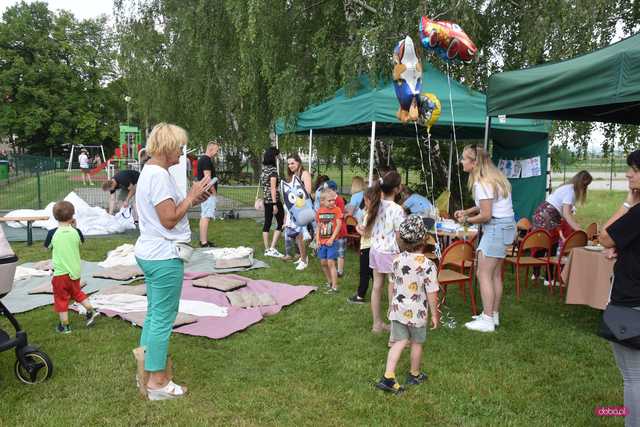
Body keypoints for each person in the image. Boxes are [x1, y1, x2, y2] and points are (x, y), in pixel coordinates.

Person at [132, 123, 212, 400]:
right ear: (167, 148)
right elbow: (168, 220)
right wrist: (190, 197)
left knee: (155, 314)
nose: (182, 152)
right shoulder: (158, 176)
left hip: (151, 252)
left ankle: (145, 370)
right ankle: (157, 383)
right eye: (179, 147)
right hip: (163, 256)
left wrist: (192, 197)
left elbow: (164, 212)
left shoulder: (152, 172)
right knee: (163, 318)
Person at [598, 149, 640, 427]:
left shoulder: (637, 212)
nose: (628, 174)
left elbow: (604, 237)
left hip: (631, 299)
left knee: (633, 376)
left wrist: (628, 202)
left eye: (635, 170)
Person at [375, 215, 439, 394]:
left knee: (399, 341)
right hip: (417, 313)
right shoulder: (428, 265)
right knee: (417, 343)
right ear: (424, 239)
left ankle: (388, 376)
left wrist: (390, 306)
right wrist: (434, 314)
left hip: (398, 310)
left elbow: (392, 284)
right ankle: (414, 374)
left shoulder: (396, 260)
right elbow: (432, 292)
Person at [454, 145, 515, 333]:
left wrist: (467, 219)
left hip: (495, 228)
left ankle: (487, 320)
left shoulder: (481, 183)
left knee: (483, 274)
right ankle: (492, 314)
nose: (461, 161)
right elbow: (486, 204)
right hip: (506, 227)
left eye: (464, 159)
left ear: (474, 163)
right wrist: (469, 211)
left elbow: (486, 214)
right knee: (495, 275)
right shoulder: (494, 178)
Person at [44, 201, 99, 333]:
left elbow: (47, 248)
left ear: (55, 216)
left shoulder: (52, 233)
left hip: (61, 273)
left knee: (61, 298)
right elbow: (81, 242)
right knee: (76, 292)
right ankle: (91, 310)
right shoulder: (76, 232)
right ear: (72, 215)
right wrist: (75, 227)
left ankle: (65, 326)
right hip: (75, 271)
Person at [366, 170, 406, 333]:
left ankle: (377, 324)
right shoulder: (397, 210)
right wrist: (403, 251)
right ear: (397, 189)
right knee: (393, 288)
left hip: (375, 251)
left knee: (376, 287)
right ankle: (394, 326)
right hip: (391, 254)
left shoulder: (376, 205)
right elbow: (399, 237)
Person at [533, 170, 592, 236]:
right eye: (585, 184)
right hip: (547, 215)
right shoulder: (570, 191)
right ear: (580, 182)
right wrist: (579, 230)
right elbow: (566, 214)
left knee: (547, 239)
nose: (585, 187)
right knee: (544, 239)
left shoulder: (568, 187)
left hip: (545, 212)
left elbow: (567, 213)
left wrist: (575, 225)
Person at [347, 186, 376, 304]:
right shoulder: (372, 212)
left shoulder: (371, 214)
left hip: (367, 246)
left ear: (368, 200)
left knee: (364, 272)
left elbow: (367, 233)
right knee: (372, 272)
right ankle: (376, 291)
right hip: (373, 246)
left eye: (365, 200)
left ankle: (360, 296)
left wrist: (357, 228)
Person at [287, 153, 313, 271]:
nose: (290, 166)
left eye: (292, 163)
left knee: (302, 235)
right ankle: (303, 257)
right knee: (298, 235)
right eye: (288, 164)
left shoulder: (304, 174)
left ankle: (304, 259)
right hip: (297, 208)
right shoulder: (293, 175)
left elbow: (307, 191)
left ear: (298, 162)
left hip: (305, 208)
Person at [315, 188, 343, 293]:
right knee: (323, 263)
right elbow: (318, 226)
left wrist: (332, 238)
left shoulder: (337, 210)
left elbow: (339, 225)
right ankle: (329, 281)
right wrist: (317, 239)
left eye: (333, 200)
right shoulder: (319, 211)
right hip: (322, 242)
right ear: (322, 201)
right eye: (329, 200)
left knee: (331, 263)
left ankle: (335, 287)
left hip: (332, 242)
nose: (332, 202)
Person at [260, 146, 284, 257]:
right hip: (274, 200)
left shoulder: (264, 169)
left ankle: (267, 249)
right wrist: (275, 204)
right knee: (281, 222)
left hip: (266, 200)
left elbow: (265, 186)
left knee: (267, 223)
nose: (278, 157)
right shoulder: (273, 171)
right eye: (277, 155)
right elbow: (273, 188)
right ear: (273, 156)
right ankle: (272, 247)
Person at [197, 141, 220, 247]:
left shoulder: (203, 159)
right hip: (208, 193)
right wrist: (214, 194)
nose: (217, 152)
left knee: (204, 216)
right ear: (211, 149)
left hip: (205, 193)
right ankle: (204, 242)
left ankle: (203, 241)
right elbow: (208, 179)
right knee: (206, 216)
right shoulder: (206, 160)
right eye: (217, 150)